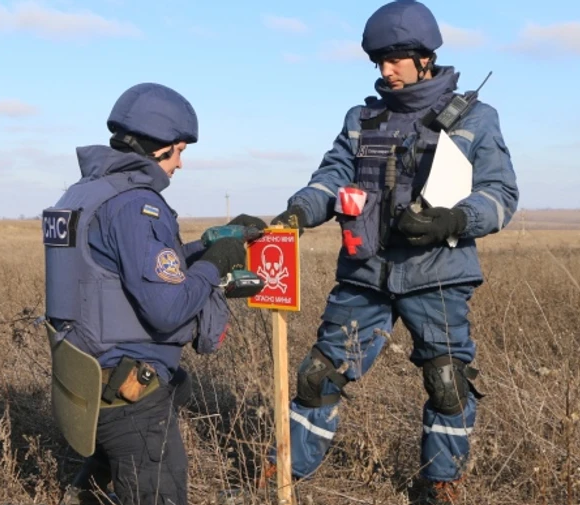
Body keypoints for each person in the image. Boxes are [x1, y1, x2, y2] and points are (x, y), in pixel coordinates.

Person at [269, 1, 519, 503]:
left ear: (425, 57)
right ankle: (283, 476)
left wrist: (453, 219)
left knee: (448, 382)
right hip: (364, 273)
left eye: (396, 59)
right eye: (379, 61)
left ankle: (441, 484)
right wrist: (298, 213)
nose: (386, 70)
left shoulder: (475, 118)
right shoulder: (362, 118)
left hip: (439, 274)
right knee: (318, 376)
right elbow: (332, 178)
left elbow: (500, 194)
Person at [42, 82, 266, 505]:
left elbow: (122, 267)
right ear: (158, 146)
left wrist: (206, 246)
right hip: (129, 393)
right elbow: (168, 309)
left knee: (175, 391)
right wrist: (216, 264)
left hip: (86, 379)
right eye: (179, 151)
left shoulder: (83, 194)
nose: (180, 163)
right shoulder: (136, 204)